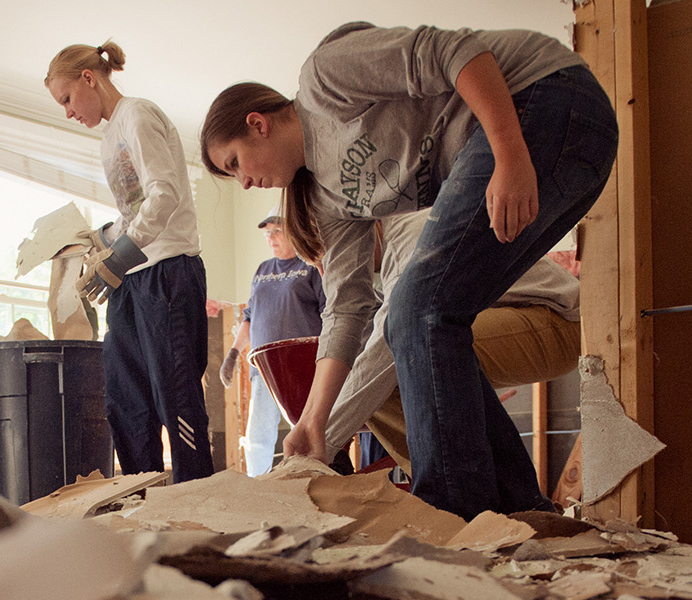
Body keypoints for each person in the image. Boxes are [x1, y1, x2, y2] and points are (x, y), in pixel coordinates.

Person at [200, 22, 617, 518]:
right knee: (422, 317)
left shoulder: (323, 80)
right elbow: (347, 309)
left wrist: (508, 152)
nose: (244, 183)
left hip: (543, 97)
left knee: (418, 309)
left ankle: (454, 506)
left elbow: (456, 50)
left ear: (257, 123)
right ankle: (518, 509)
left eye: (233, 163)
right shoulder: (327, 196)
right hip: (566, 146)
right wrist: (311, 424)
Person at [45, 41, 214, 482]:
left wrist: (119, 254)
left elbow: (164, 194)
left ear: (89, 78)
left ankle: (197, 498)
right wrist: (99, 241)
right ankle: (144, 502)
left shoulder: (137, 115)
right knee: (125, 399)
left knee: (175, 397)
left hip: (169, 272)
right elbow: (133, 211)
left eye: (66, 99)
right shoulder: (108, 137)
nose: (67, 112)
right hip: (133, 277)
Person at [313, 209, 582, 475]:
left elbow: (387, 350)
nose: (327, 275)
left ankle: (469, 490)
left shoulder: (408, 238)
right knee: (378, 385)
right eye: (315, 267)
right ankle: (491, 492)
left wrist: (320, 442)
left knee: (385, 378)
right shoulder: (385, 259)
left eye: (327, 259)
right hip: (519, 315)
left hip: (558, 320)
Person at [220, 216, 325, 476]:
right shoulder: (263, 270)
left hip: (303, 368)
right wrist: (233, 353)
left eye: (277, 231)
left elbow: (328, 313)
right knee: (257, 437)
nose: (271, 238)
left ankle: (308, 483)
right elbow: (249, 315)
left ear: (295, 231)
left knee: (303, 431)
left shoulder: (311, 266)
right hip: (265, 370)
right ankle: (259, 490)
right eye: (267, 233)